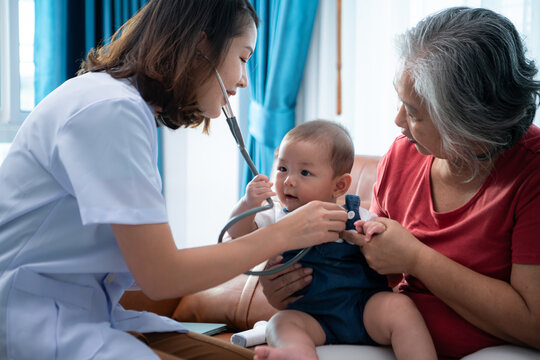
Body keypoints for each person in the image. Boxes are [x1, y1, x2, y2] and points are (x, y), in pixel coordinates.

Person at [0, 1, 350, 359]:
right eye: (243, 58)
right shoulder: (110, 111)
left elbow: (143, 264)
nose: (244, 79)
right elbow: (161, 275)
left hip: (84, 316)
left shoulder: (121, 106)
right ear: (202, 47)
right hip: (32, 323)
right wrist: (284, 232)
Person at [260, 7, 540, 359]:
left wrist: (418, 259)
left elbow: (534, 323)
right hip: (385, 340)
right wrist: (288, 285)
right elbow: (374, 275)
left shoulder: (532, 174)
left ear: (466, 122)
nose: (398, 121)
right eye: (400, 102)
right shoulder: (404, 155)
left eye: (414, 113)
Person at [228, 120, 436, 360]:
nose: (289, 181)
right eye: (283, 168)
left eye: (304, 172)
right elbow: (236, 234)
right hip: (311, 316)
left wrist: (373, 231)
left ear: (339, 185)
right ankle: (298, 354)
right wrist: (247, 204)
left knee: (401, 309)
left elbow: (383, 237)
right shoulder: (274, 215)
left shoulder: (355, 214)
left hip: (363, 308)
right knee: (280, 323)